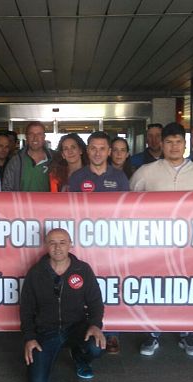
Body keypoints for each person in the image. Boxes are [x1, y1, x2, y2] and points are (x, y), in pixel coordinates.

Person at [129, 123, 193, 357]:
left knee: (186, 288)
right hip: (154, 244)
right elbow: (129, 203)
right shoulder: (146, 171)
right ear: (162, 144)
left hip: (189, 244)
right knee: (154, 287)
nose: (174, 146)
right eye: (169, 142)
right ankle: (152, 333)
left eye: (178, 142)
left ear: (185, 145)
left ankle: (187, 334)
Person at [20, 229, 106, 382]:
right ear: (46, 246)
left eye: (62, 242)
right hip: (46, 331)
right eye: (52, 243)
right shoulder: (36, 272)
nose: (57, 247)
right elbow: (26, 309)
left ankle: (79, 357)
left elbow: (95, 302)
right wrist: (29, 338)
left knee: (96, 346)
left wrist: (95, 325)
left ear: (70, 245)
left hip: (76, 328)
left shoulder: (83, 269)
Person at [68, 131, 128, 354]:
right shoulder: (77, 177)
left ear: (109, 151)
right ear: (87, 150)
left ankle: (113, 333)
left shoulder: (120, 178)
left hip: (112, 243)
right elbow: (70, 210)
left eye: (102, 148)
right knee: (84, 287)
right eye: (93, 148)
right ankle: (83, 331)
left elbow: (126, 211)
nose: (97, 152)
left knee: (112, 285)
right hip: (84, 242)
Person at [2, 121, 52, 192]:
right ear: (26, 137)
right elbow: (6, 188)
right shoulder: (15, 161)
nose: (35, 138)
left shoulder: (54, 159)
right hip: (21, 200)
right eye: (31, 134)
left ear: (44, 137)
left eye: (39, 134)